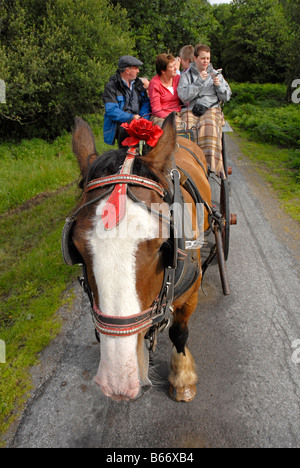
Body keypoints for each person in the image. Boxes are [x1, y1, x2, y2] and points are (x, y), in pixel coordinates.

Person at [177, 44, 232, 176]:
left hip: (210, 108)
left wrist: (219, 86)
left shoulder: (216, 75)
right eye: (203, 58)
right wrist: (198, 82)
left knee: (209, 126)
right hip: (190, 108)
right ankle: (186, 163)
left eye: (208, 58)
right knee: (185, 129)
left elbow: (227, 96)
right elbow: (183, 97)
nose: (206, 61)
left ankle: (208, 165)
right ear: (195, 58)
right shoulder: (186, 76)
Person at [103, 55, 151, 146]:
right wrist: (131, 117)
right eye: (136, 68)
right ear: (127, 70)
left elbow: (146, 102)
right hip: (122, 125)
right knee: (126, 134)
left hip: (139, 121)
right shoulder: (111, 87)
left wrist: (143, 118)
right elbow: (111, 110)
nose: (138, 71)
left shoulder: (138, 84)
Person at [148, 53, 184, 129]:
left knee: (191, 126)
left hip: (179, 113)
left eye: (175, 65)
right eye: (171, 67)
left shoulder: (178, 79)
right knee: (168, 127)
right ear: (163, 71)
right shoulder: (155, 84)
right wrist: (169, 117)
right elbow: (156, 109)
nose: (175, 69)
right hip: (161, 116)